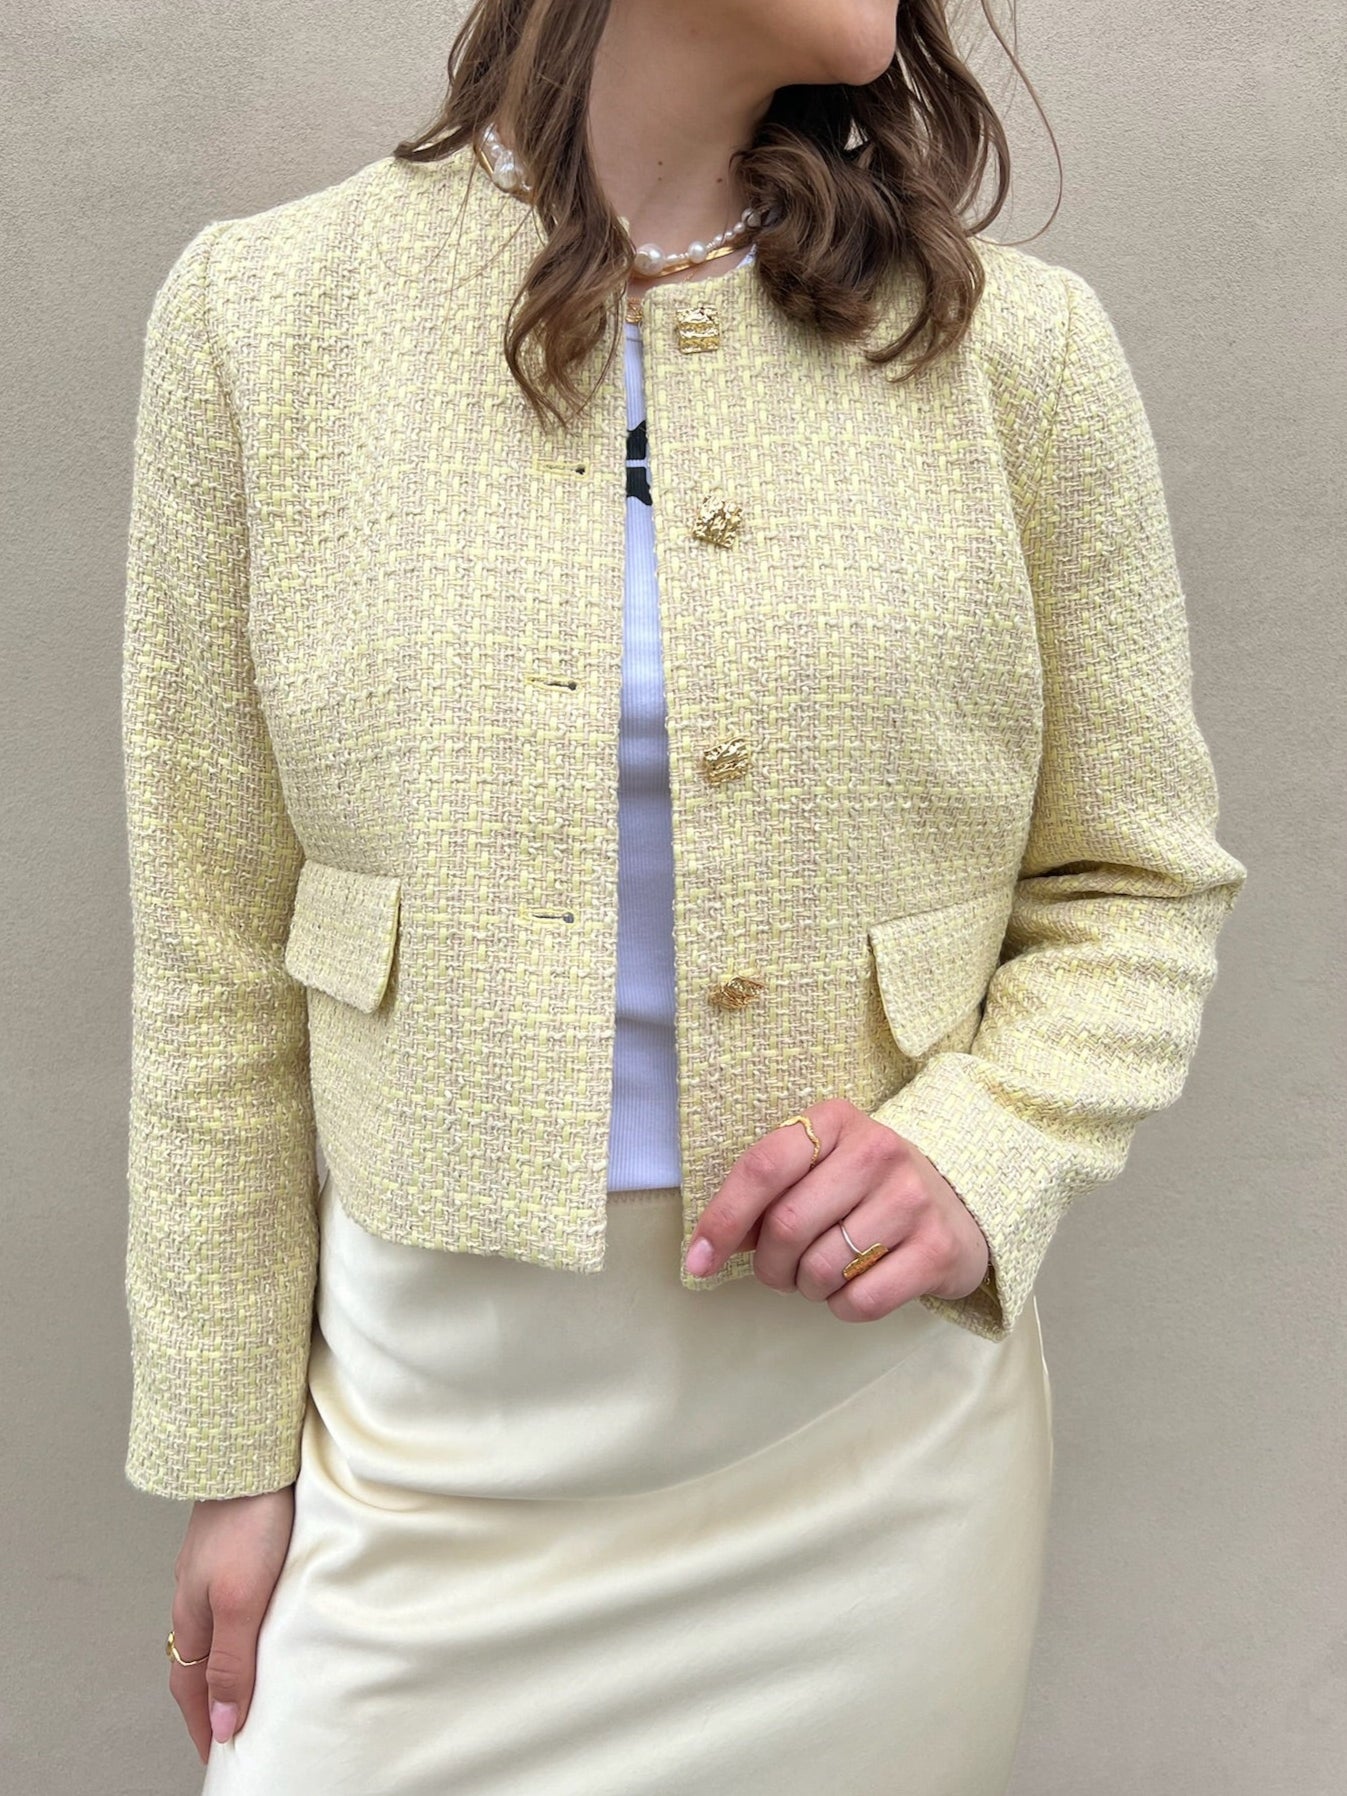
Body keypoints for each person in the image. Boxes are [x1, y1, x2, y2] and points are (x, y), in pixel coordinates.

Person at [120, 3, 1248, 1792]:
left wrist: (986, 1146)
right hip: (427, 1420)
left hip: (865, 1434)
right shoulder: (261, 319)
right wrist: (228, 1455)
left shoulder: (1012, 350)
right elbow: (211, 953)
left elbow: (1134, 879)